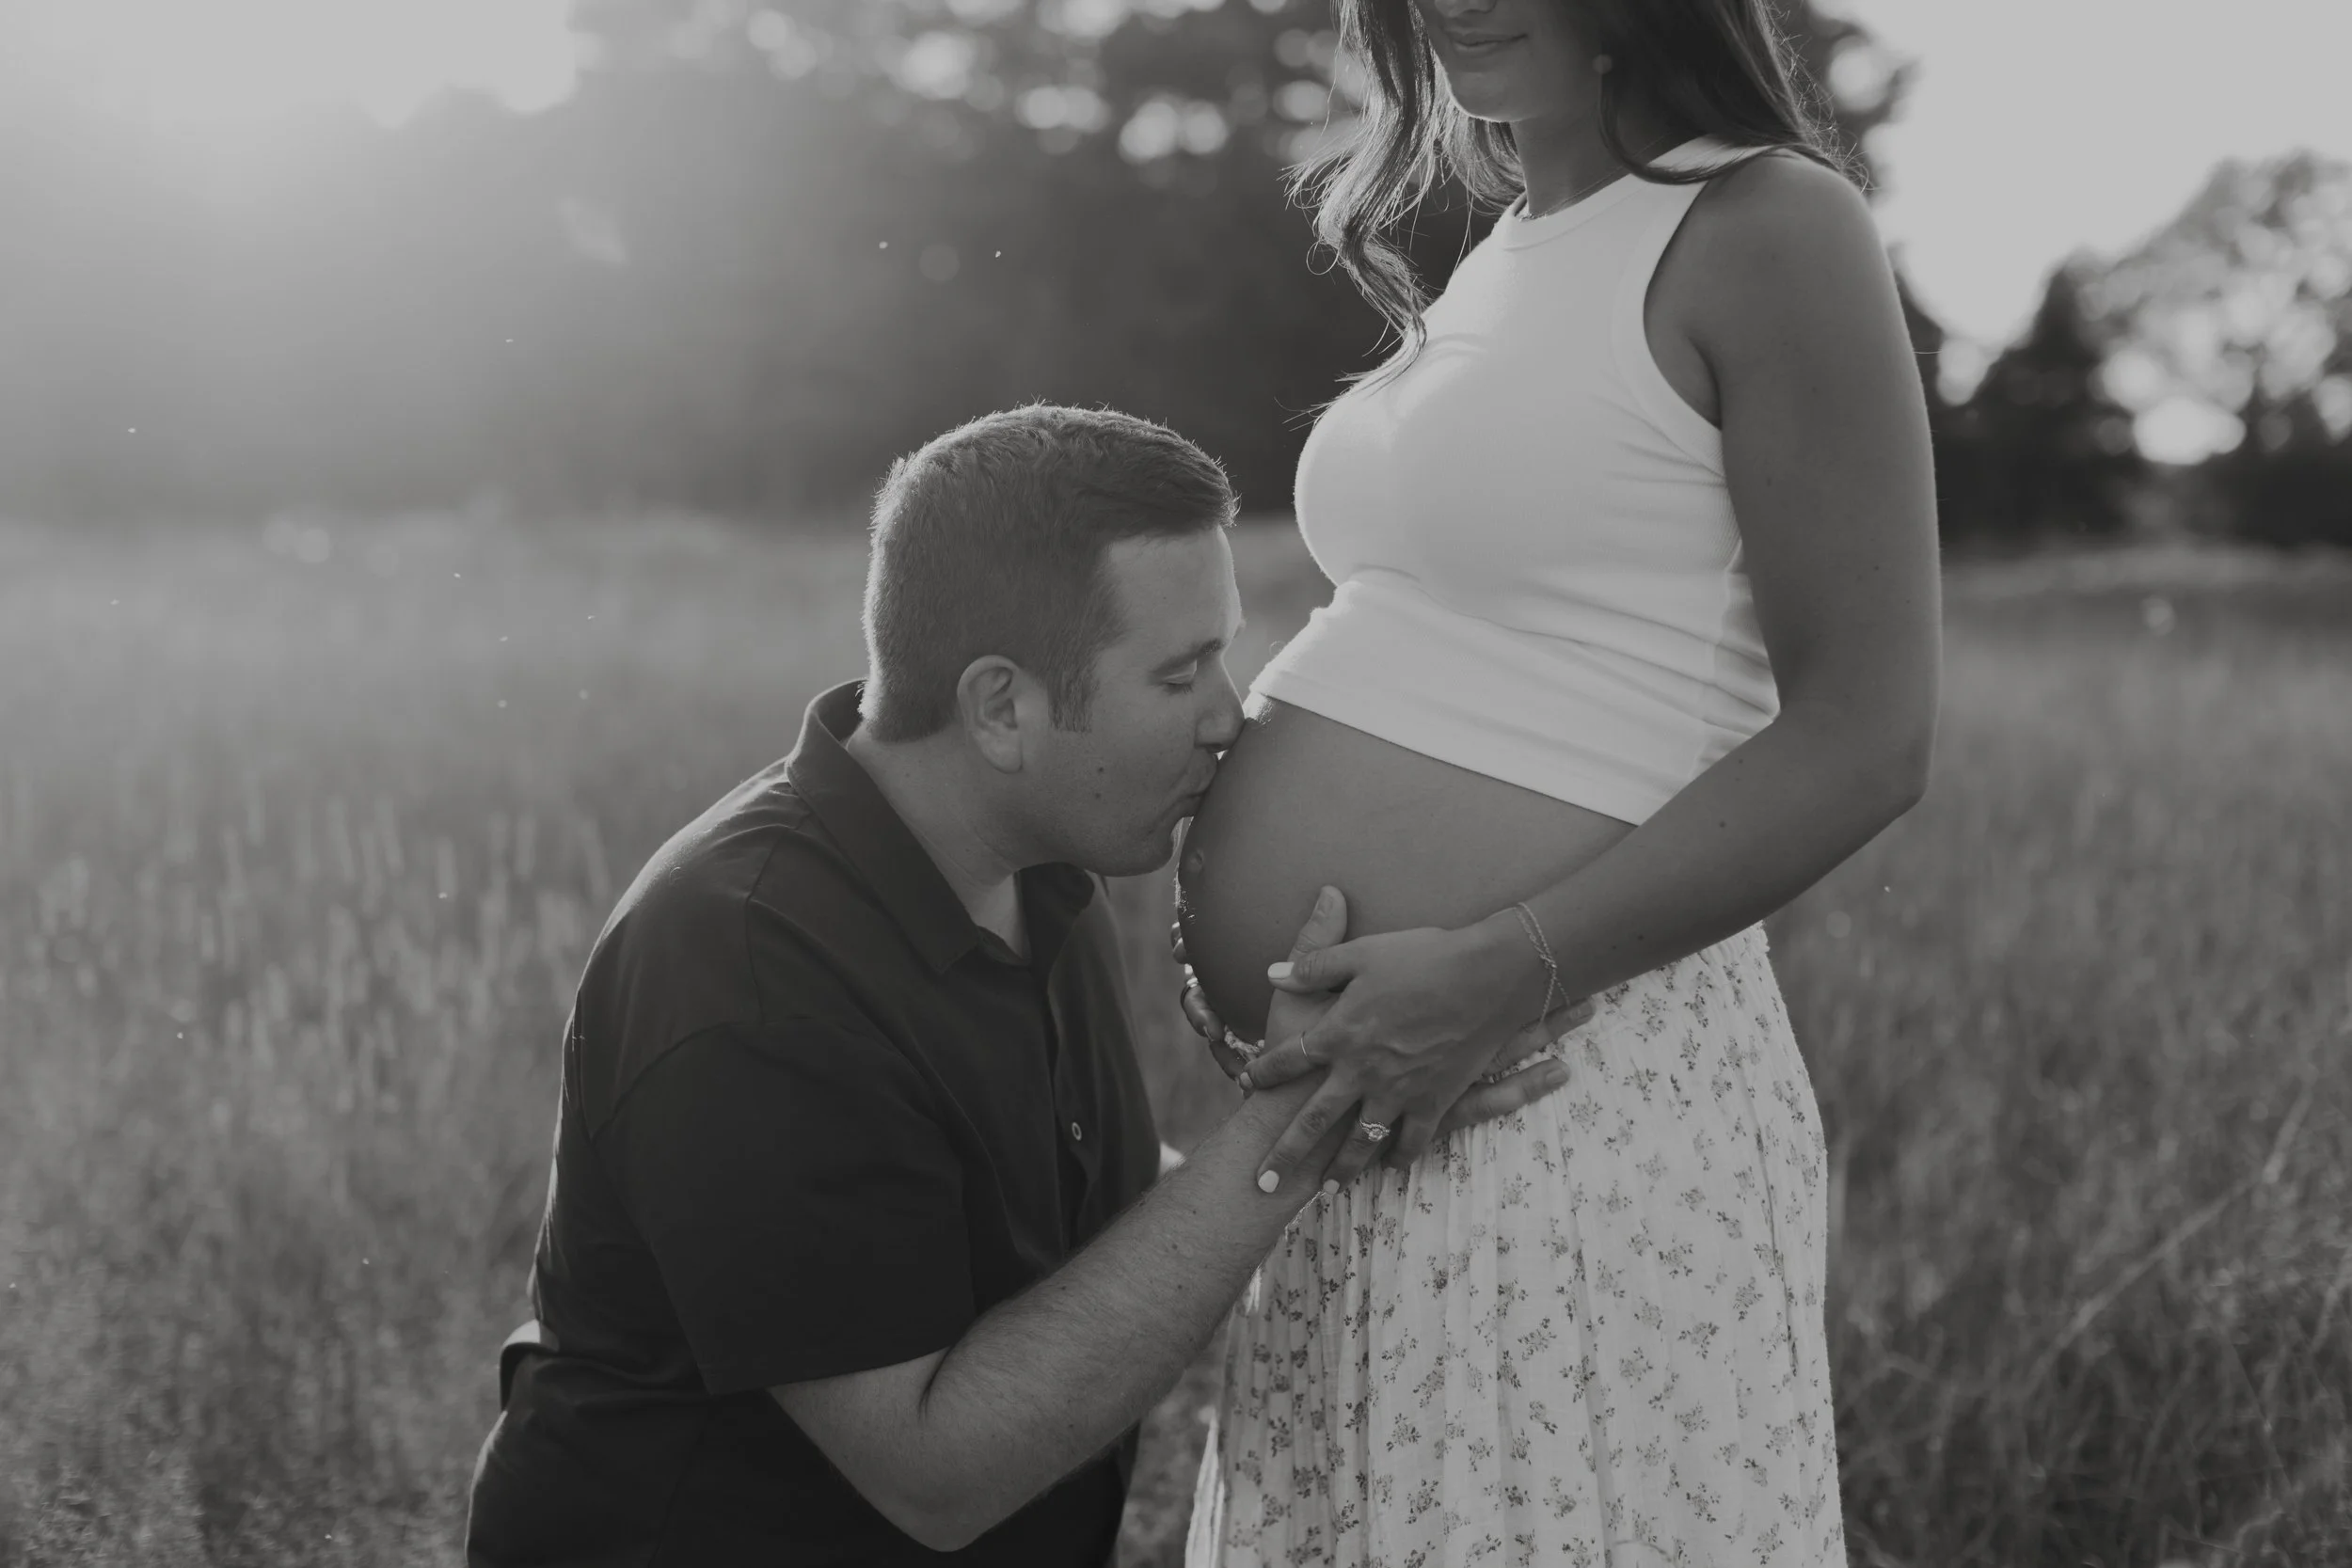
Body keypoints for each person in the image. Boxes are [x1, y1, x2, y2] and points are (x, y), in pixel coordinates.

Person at [461, 404, 1583, 1567]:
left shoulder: (1030, 877)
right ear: (1001, 708)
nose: (1227, 715)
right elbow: (938, 1472)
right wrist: (1289, 1132)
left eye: (1224, 653)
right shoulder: (748, 973)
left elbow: (1046, 1215)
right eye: (1179, 670)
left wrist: (1352, 1116)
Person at [1169, 0, 1941, 1561]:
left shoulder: (1764, 225)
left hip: (1567, 1074)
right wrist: (1258, 972)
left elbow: (1870, 729)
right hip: (1375, 1098)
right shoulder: (1510, 248)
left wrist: (1497, 971)